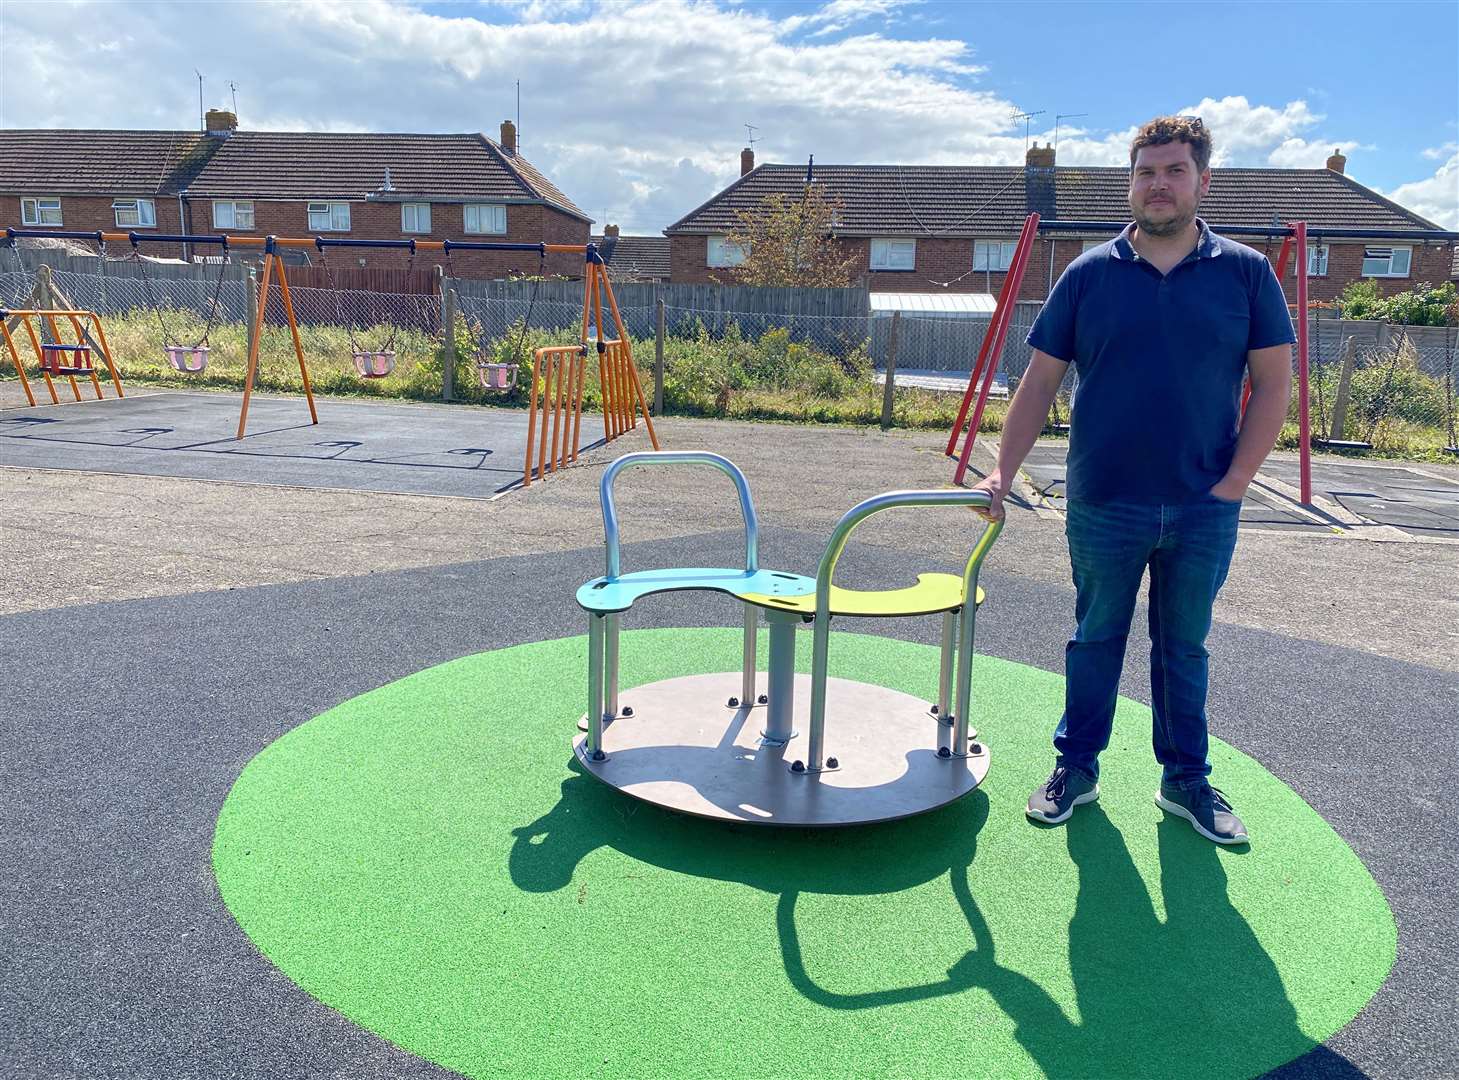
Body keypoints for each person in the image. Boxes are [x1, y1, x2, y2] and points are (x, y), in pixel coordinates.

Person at [972, 116, 1295, 845]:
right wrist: (1002, 467)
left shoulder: (1244, 272)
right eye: (1145, 172)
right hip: (1103, 501)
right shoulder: (1087, 275)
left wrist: (1236, 481)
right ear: (1131, 183)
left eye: (1173, 171)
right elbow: (1037, 383)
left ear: (1201, 181)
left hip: (1201, 504)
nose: (1158, 184)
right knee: (1095, 639)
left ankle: (1185, 782)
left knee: (1183, 647)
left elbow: (1272, 386)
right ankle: (1076, 769)